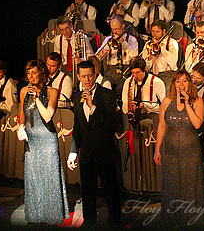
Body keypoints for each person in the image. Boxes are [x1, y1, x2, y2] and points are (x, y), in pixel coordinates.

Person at [67, 61, 122, 228]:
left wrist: (93, 107)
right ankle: (89, 219)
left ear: (95, 74)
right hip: (87, 153)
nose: (87, 79)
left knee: (111, 190)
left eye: (90, 75)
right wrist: (73, 151)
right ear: (78, 77)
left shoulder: (107, 95)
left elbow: (111, 123)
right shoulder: (77, 98)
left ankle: (115, 221)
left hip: (105, 151)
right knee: (87, 190)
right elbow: (77, 126)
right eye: (83, 76)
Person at [16, 59, 69, 225]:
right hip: (32, 139)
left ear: (42, 73)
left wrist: (37, 98)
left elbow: (47, 116)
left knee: (49, 176)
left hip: (47, 138)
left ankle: (52, 215)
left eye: (34, 72)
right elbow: (22, 114)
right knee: (34, 177)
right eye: (28, 73)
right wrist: (20, 128)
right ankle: (37, 214)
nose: (30, 76)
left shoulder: (53, 91)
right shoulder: (24, 90)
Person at [153, 69, 204, 228]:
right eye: (178, 81)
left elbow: (197, 124)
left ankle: (191, 220)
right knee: (172, 184)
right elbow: (162, 126)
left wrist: (187, 103)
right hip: (170, 151)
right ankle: (173, 219)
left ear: (189, 83)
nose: (181, 84)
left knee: (190, 185)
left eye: (184, 81)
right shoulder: (166, 101)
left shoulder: (197, 101)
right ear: (174, 83)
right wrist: (157, 149)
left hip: (190, 151)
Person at [95, 15, 138, 92]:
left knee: (121, 89)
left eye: (116, 29)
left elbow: (135, 56)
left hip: (125, 72)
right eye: (112, 29)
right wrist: (103, 52)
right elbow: (96, 57)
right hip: (110, 72)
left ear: (123, 26)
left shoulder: (132, 39)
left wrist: (124, 43)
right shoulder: (108, 39)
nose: (114, 31)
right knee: (105, 88)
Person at [141, 19, 178, 91]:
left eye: (157, 32)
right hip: (153, 75)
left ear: (163, 31)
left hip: (168, 75)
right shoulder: (148, 44)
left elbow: (173, 63)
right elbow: (146, 68)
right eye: (153, 31)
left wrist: (161, 49)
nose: (154, 34)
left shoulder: (172, 43)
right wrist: (149, 59)